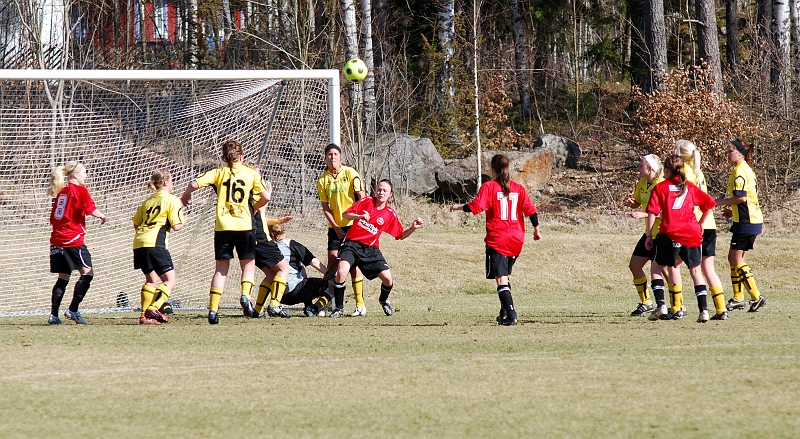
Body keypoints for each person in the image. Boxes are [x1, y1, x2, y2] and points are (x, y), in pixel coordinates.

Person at [180, 139, 269, 325]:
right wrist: (254, 208)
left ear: (224, 158)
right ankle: (245, 296)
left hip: (223, 227)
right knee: (248, 265)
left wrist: (186, 195)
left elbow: (194, 183)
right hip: (244, 226)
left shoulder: (218, 173)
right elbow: (266, 196)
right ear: (241, 157)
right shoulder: (251, 173)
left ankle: (213, 311)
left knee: (221, 269)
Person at [450, 154, 541, 326]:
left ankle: (512, 315)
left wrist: (458, 207)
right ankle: (504, 313)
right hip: (516, 240)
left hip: (498, 239)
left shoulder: (490, 187)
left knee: (501, 279)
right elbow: (532, 211)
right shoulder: (518, 188)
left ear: (493, 170)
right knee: (505, 277)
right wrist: (537, 230)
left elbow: (475, 207)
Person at [330, 179, 423, 318]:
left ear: (390, 194)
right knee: (341, 272)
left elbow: (400, 235)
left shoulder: (390, 214)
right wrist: (360, 216)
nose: (381, 192)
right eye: (379, 189)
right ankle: (338, 308)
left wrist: (412, 228)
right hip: (352, 245)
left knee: (388, 279)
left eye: (385, 190)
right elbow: (345, 214)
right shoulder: (366, 201)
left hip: (371, 249)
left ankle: (383, 299)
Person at [645, 155, 718, 322]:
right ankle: (704, 310)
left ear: (666, 170)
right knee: (695, 272)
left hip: (670, 232)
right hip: (691, 233)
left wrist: (649, 235)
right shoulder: (689, 187)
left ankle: (662, 306)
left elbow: (652, 212)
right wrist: (700, 223)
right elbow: (710, 203)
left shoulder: (661, 187)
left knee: (657, 267)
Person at [674, 140, 728, 320]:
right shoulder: (698, 171)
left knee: (674, 264)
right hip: (709, 224)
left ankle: (678, 307)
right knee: (708, 269)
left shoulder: (685, 173)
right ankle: (721, 310)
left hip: (694, 225)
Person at [47, 161, 107, 325]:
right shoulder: (78, 190)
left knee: (63, 277)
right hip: (72, 239)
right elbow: (89, 209)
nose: (86, 176)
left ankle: (54, 315)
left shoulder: (62, 192)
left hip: (57, 240)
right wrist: (102, 215)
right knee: (87, 273)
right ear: (75, 175)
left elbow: (53, 218)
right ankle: (73, 309)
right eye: (84, 172)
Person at [715, 139, 766, 313]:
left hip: (747, 222)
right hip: (746, 220)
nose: (727, 154)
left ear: (739, 153)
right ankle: (738, 298)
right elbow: (745, 200)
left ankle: (756, 297)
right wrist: (732, 211)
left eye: (730, 151)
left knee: (736, 260)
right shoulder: (742, 169)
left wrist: (721, 202)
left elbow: (742, 198)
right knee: (735, 259)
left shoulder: (740, 172)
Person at [317, 143, 367, 316]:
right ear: (325, 158)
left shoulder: (350, 173)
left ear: (340, 157)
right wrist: (336, 227)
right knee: (332, 262)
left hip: (353, 226)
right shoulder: (323, 180)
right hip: (335, 227)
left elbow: (363, 199)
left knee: (353, 265)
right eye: (329, 154)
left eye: (335, 154)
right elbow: (326, 208)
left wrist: (358, 219)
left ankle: (360, 304)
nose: (332, 157)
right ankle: (323, 301)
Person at [132, 169, 186, 325]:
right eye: (172, 180)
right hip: (155, 244)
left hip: (139, 243)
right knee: (171, 280)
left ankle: (144, 316)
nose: (173, 183)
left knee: (151, 280)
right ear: (165, 182)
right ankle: (154, 308)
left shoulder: (148, 201)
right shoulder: (172, 200)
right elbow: (176, 226)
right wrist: (185, 221)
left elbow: (136, 224)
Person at [244, 162, 293, 319]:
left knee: (271, 276)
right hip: (262, 240)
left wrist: (278, 221)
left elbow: (260, 218)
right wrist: (268, 193)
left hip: (250, 241)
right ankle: (275, 305)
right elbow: (262, 207)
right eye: (257, 175)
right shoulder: (257, 193)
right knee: (284, 269)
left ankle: (257, 310)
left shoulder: (245, 195)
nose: (260, 178)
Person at [623, 154, 668, 317]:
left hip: (662, 234)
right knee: (634, 266)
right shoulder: (642, 182)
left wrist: (644, 215)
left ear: (650, 168)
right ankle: (647, 302)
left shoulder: (662, 185)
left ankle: (677, 305)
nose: (638, 167)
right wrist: (632, 203)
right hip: (649, 234)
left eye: (641, 165)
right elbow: (638, 201)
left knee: (665, 271)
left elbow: (667, 214)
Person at [267, 223, 335, 317]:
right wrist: (330, 275)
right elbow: (313, 261)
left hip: (278, 296)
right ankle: (314, 308)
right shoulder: (290, 244)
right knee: (334, 286)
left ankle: (308, 305)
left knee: (301, 270)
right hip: (296, 292)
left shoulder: (267, 248)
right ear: (284, 232)